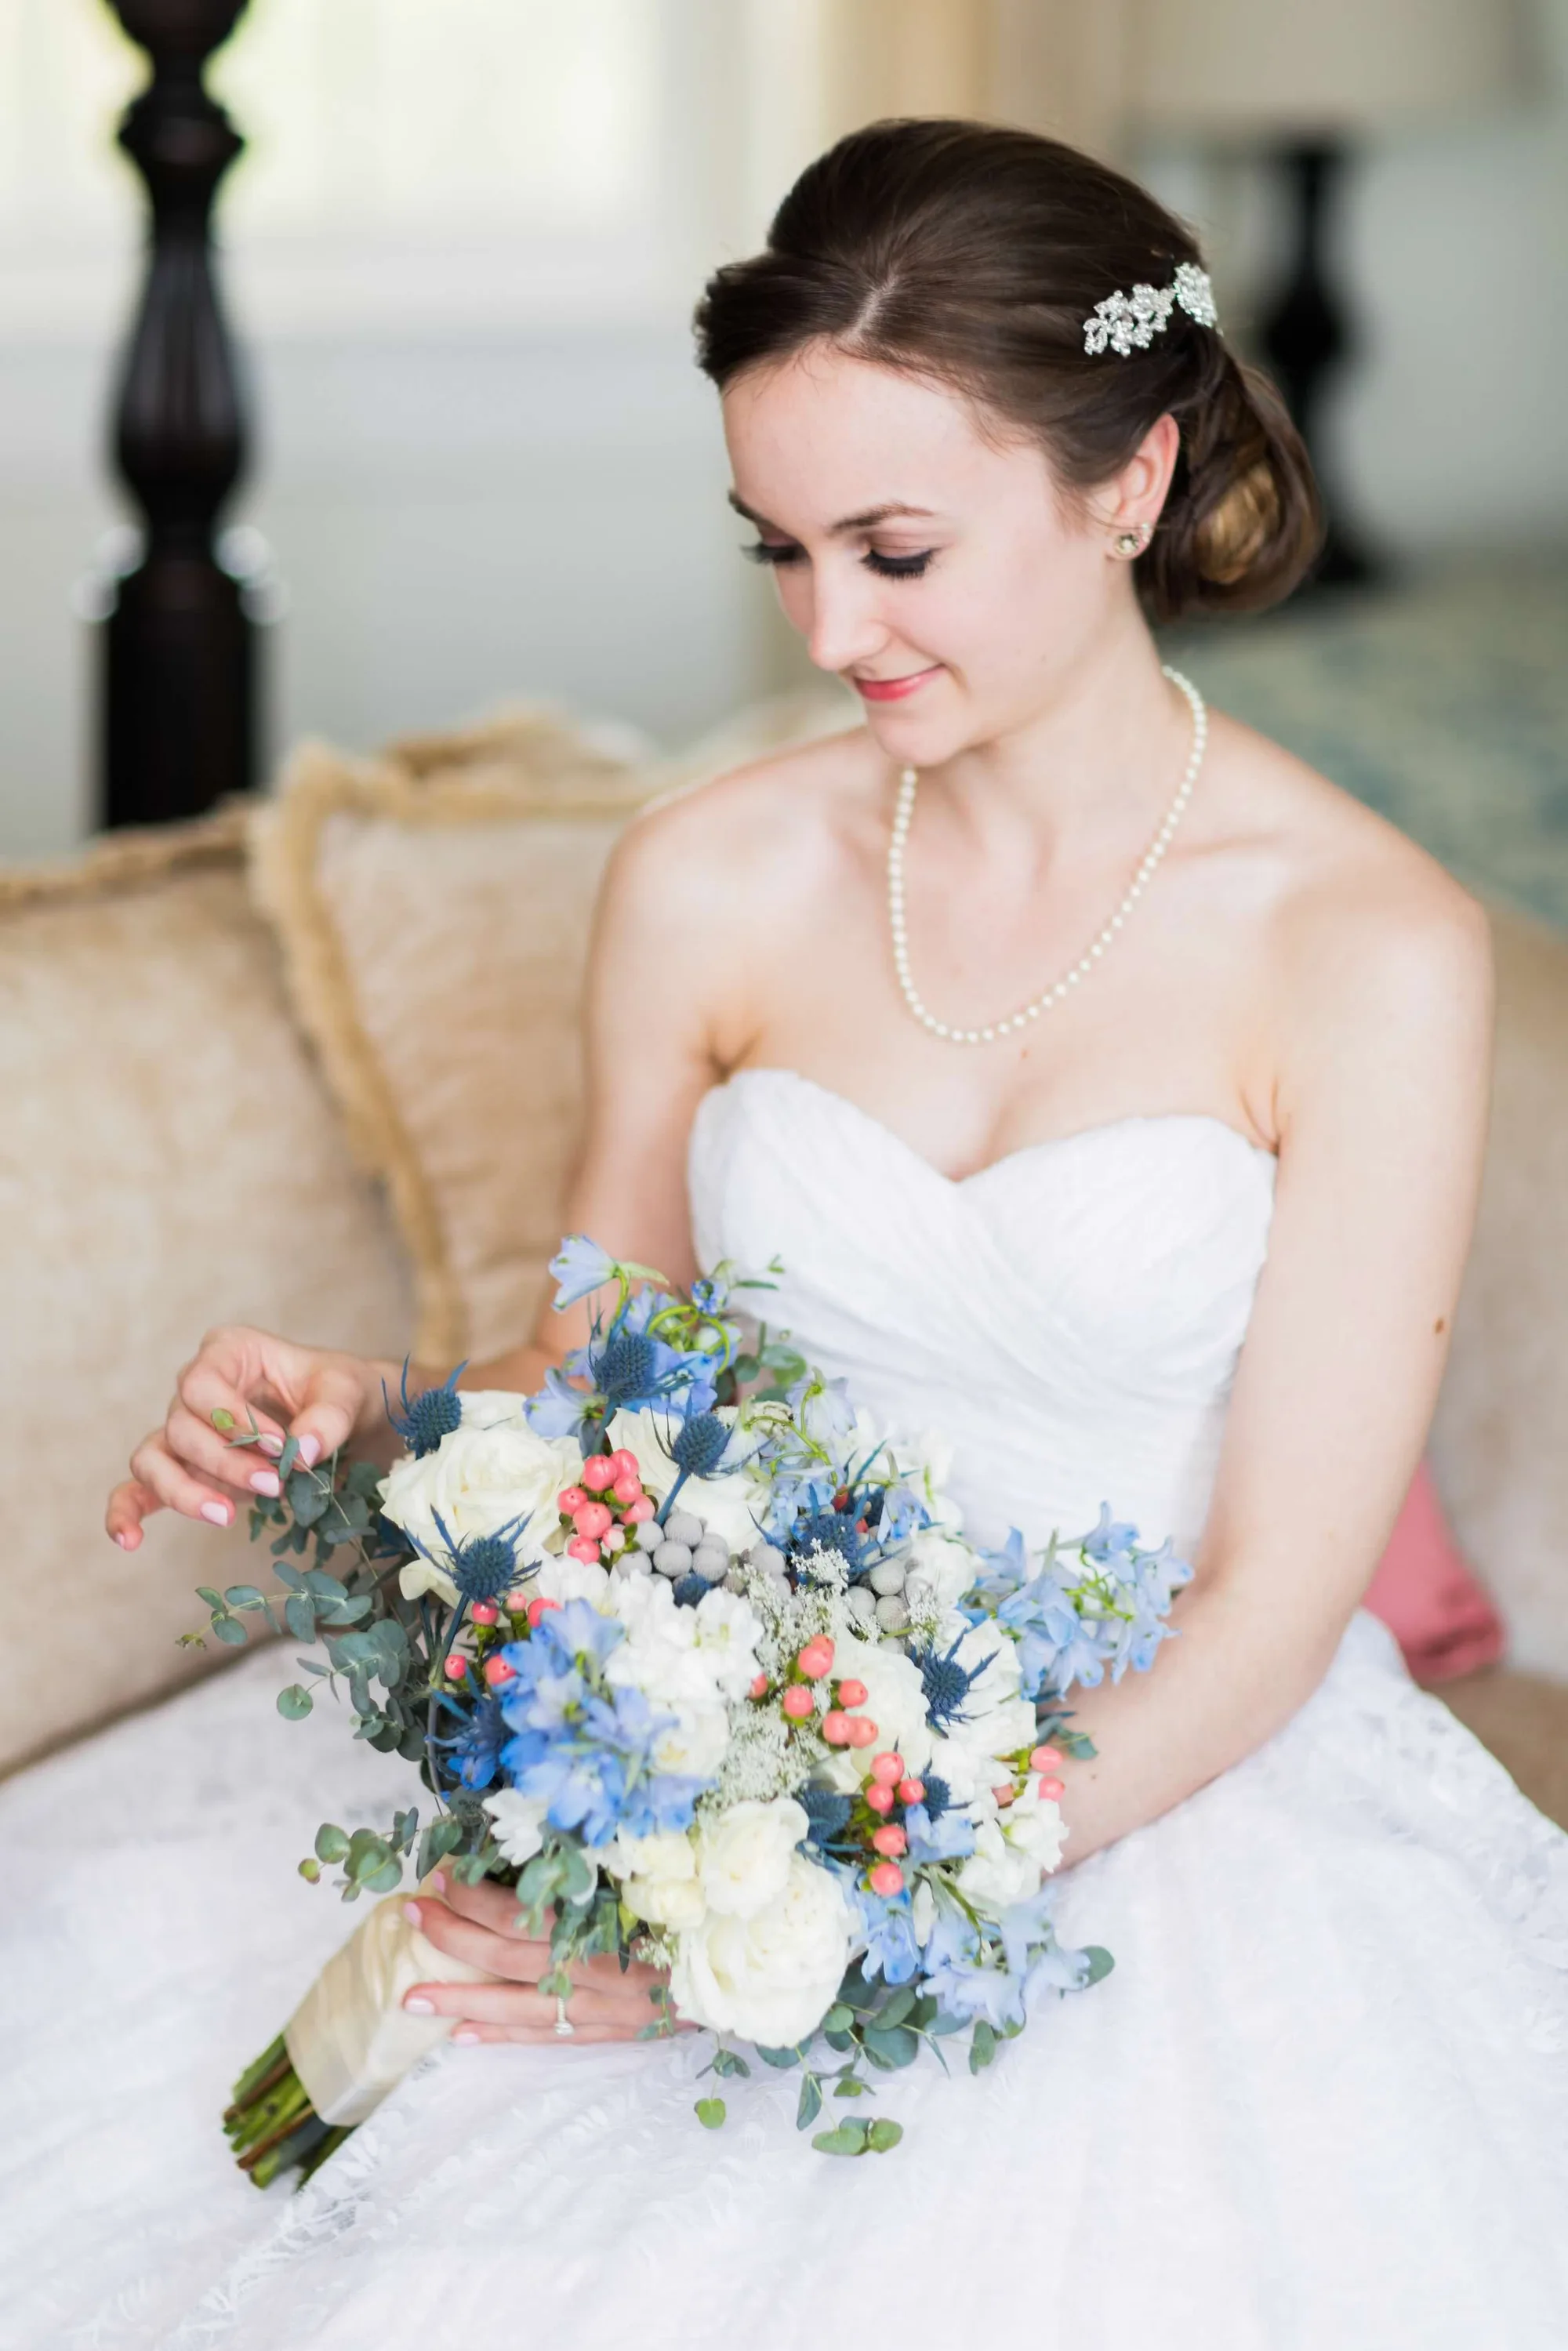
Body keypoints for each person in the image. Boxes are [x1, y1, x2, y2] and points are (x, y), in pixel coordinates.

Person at [46, 118, 1568, 2346]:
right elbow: (609, 1378)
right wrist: (369, 1412)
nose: (828, 628)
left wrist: (789, 1922)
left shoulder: (1371, 949)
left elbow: (1262, 1614)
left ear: (1128, 483)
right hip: (703, 1711)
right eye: (779, 547)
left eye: (897, 547)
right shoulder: (708, 876)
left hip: (1161, 1802)